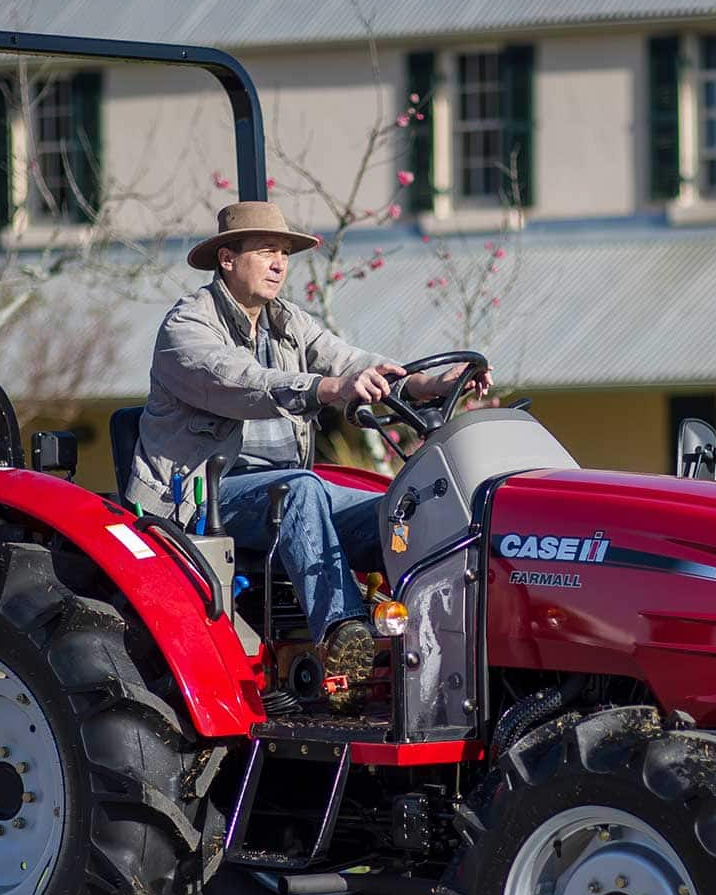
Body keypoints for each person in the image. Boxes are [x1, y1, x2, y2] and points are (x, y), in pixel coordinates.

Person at [128, 200, 484, 697]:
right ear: (227, 259)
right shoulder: (186, 328)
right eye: (267, 251)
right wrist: (329, 388)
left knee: (399, 512)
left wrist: (429, 384)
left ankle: (430, 652)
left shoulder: (288, 321)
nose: (280, 264)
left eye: (285, 254)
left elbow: (352, 359)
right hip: (201, 496)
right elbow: (242, 382)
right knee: (301, 489)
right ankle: (345, 637)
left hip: (284, 494)